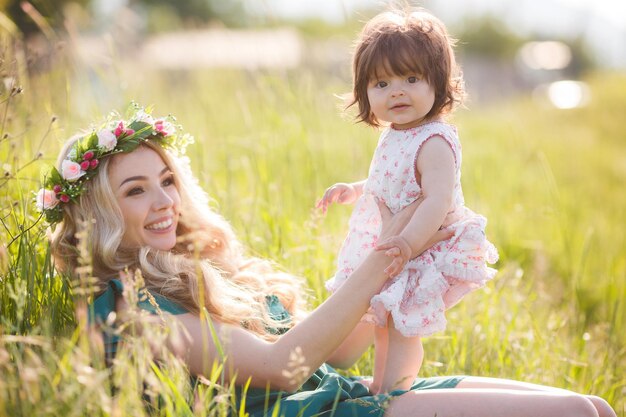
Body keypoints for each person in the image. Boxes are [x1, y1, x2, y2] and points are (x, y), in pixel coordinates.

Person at [37, 104, 616, 417]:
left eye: (167, 180)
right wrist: (386, 256)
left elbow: (331, 352)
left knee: (595, 406)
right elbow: (280, 369)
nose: (164, 201)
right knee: (575, 415)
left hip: (340, 392)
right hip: (319, 415)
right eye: (136, 190)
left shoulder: (191, 266)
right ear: (99, 212)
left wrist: (420, 275)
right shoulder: (131, 308)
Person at [317, 9, 498, 394]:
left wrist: (408, 244)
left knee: (401, 328)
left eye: (411, 78)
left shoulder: (434, 140)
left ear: (439, 82)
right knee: (383, 325)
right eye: (381, 83)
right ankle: (381, 387)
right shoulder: (396, 133)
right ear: (364, 92)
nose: (397, 91)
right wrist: (355, 188)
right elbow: (391, 181)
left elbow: (436, 199)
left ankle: (395, 394)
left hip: (419, 248)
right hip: (395, 245)